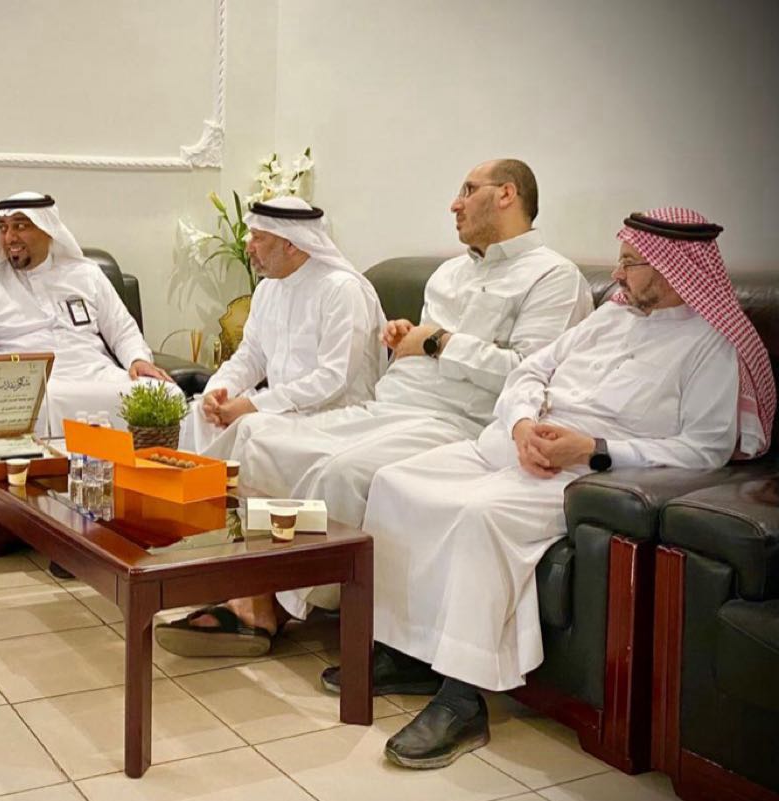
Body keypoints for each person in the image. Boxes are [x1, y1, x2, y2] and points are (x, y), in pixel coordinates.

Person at [357, 207, 773, 769]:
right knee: (394, 484)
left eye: (631, 263)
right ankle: (406, 651)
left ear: (674, 269)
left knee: (480, 515)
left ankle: (462, 699)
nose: (617, 275)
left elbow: (705, 449)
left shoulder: (710, 346)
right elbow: (530, 371)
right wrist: (522, 423)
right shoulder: (610, 317)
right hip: (513, 445)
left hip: (586, 475)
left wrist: (592, 448)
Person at [157, 160, 592, 658]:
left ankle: (270, 605)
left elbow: (529, 377)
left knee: (339, 472)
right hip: (393, 403)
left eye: (468, 190)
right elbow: (422, 350)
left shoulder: (554, 278)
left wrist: (439, 343)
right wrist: (406, 338)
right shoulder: (449, 274)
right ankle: (251, 586)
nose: (455, 203)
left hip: (457, 420)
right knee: (260, 439)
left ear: (507, 194)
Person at [0, 192, 178, 436]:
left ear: (48, 229)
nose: (10, 237)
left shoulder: (86, 274)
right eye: (4, 228)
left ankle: (153, 461)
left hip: (98, 374)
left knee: (166, 394)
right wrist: (12, 366)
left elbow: (123, 330)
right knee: (34, 405)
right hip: (36, 384)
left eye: (20, 226)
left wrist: (138, 359)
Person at [178, 195, 387, 458]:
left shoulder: (342, 290)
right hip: (280, 409)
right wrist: (218, 391)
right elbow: (251, 356)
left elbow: (334, 378)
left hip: (335, 416)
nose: (248, 247)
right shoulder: (268, 289)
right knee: (198, 415)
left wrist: (255, 405)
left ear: (291, 244)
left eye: (258, 238)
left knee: (249, 428)